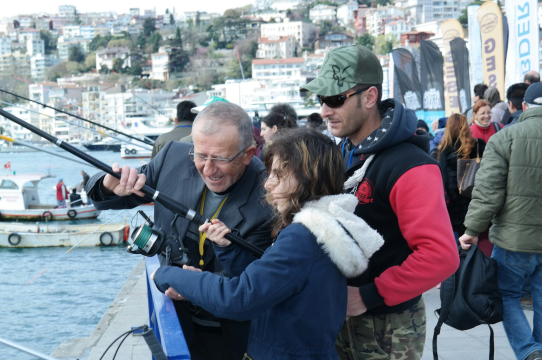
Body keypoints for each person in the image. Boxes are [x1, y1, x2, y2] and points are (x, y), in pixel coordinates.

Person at [152, 128, 384, 360]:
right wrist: (228, 248)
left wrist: (168, 275)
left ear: (307, 179)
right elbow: (271, 283)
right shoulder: (323, 229)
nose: (268, 184)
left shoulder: (302, 237)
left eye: (278, 175)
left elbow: (240, 298)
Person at [301, 45, 459, 360]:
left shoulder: (411, 164)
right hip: (341, 315)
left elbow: (440, 256)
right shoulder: (346, 150)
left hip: (386, 324)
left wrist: (370, 295)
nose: (325, 111)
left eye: (335, 100)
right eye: (321, 100)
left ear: (370, 97)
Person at [86, 101, 273, 360]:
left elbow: (257, 279)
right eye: (200, 155)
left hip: (231, 335)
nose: (208, 169)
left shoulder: (269, 194)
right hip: (174, 320)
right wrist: (109, 185)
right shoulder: (174, 155)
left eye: (219, 158)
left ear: (248, 154)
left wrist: (194, 284)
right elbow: (105, 197)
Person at [459, 82, 542, 360]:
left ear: (521, 106)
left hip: (513, 238)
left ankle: (529, 351)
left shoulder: (505, 138)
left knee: (506, 294)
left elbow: (488, 191)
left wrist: (471, 229)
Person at [434, 114, 486, 243]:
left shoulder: (445, 150)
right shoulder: (479, 145)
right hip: (478, 201)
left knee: (461, 246)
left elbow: (444, 182)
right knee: (483, 241)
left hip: (456, 207)